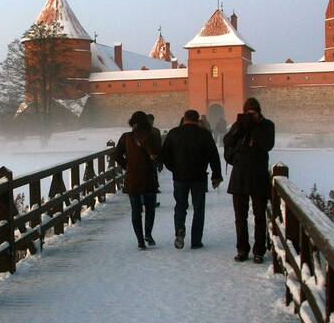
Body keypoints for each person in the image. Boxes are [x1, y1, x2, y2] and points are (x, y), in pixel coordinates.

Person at [223, 98, 275, 263]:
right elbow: (227, 141)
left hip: (258, 175)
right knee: (240, 216)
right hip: (240, 175)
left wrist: (253, 128)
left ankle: (259, 250)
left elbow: (268, 145)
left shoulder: (267, 125)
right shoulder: (240, 124)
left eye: (253, 112)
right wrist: (240, 126)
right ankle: (242, 249)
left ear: (259, 112)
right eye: (248, 112)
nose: (250, 115)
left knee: (259, 215)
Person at [161, 109, 222, 250]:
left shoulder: (174, 133)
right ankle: (196, 240)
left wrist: (173, 168)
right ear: (197, 119)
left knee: (180, 206)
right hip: (199, 177)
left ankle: (179, 231)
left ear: (184, 118)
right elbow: (214, 156)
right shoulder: (204, 134)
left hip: (180, 177)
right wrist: (216, 176)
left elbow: (165, 155)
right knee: (199, 209)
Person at [114, 110, 162, 249]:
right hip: (149, 177)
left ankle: (140, 241)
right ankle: (148, 233)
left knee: (136, 211)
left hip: (133, 178)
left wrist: (127, 166)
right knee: (150, 209)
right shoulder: (152, 136)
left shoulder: (126, 137)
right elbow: (158, 154)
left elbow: (117, 155)